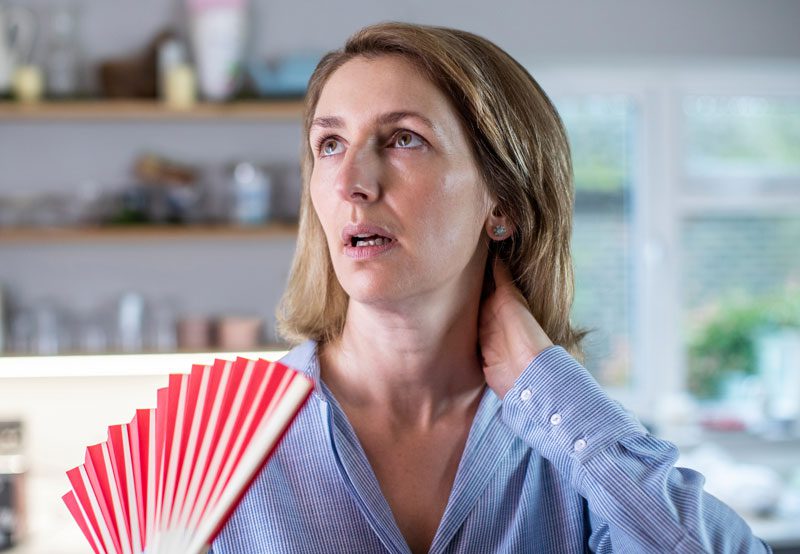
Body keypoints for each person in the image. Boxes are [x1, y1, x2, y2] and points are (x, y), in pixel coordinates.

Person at [212, 22, 770, 553]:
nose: (350, 182)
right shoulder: (219, 446)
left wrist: (549, 389)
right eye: (330, 144)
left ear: (500, 203)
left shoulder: (571, 443)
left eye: (403, 139)